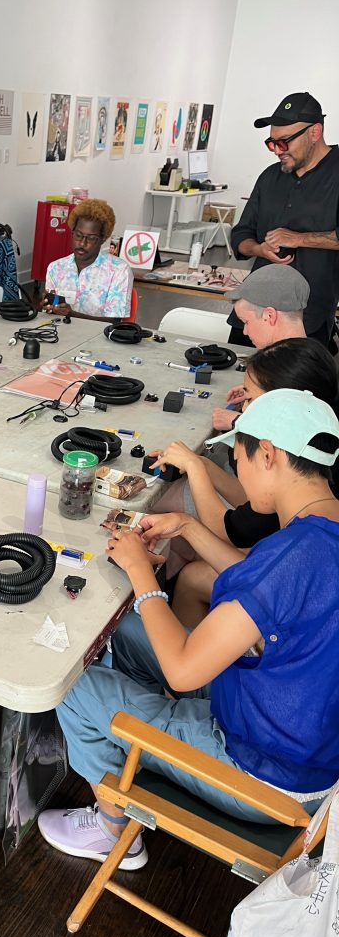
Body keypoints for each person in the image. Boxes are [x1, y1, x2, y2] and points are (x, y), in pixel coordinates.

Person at [39, 388, 339, 868]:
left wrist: (141, 573)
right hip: (295, 734)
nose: (235, 472)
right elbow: (255, 579)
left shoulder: (291, 556)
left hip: (265, 780)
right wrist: (186, 525)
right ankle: (137, 728)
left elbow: (182, 671)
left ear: (270, 454)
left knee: (68, 677)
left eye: (237, 456)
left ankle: (115, 832)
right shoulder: (320, 527)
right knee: (116, 633)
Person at [148, 338, 339, 626]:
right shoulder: (315, 467)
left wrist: (142, 581)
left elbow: (184, 670)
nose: (243, 404)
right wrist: (198, 470)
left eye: (249, 398)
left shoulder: (294, 551)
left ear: (267, 454)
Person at [230, 92, 339, 347]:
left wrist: (299, 238)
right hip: (252, 313)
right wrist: (259, 249)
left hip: (306, 318)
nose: (277, 150)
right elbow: (241, 234)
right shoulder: (270, 176)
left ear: (315, 132)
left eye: (285, 142)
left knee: (293, 385)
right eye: (272, 143)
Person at [212, 264, 308, 431]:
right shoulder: (309, 355)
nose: (245, 331)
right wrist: (257, 393)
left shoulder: (295, 373)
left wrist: (238, 421)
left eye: (246, 322)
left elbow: (293, 435)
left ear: (269, 315)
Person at [42, 199, 133, 322]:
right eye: (78, 235)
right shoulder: (56, 268)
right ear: (72, 233)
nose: (82, 243)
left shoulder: (119, 270)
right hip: (60, 335)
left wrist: (72, 314)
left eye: (91, 238)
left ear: (103, 239)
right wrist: (46, 307)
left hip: (100, 339)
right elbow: (49, 313)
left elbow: (114, 321)